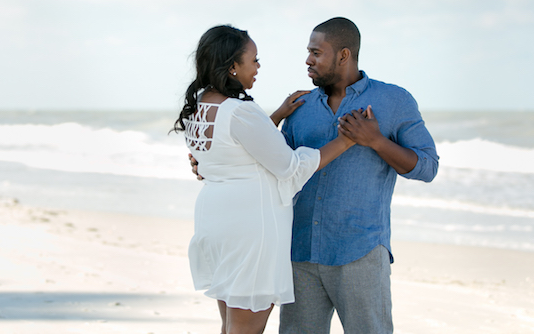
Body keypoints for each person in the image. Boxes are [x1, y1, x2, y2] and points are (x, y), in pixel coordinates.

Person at [173, 25, 357, 334]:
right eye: (254, 60)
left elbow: (236, 147)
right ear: (232, 66)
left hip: (216, 224)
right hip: (250, 231)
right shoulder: (241, 111)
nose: (258, 66)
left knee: (231, 326)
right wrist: (347, 140)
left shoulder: (201, 106)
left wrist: (276, 115)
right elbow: (290, 167)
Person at [275, 17, 439, 334]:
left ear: (344, 55)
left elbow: (427, 166)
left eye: (316, 52)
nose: (308, 60)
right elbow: (277, 168)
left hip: (360, 252)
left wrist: (376, 141)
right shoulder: (299, 106)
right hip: (300, 253)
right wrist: (216, 164)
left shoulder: (394, 101)